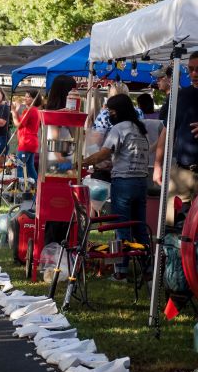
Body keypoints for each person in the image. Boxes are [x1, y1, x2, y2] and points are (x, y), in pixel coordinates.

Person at [82, 94, 149, 280]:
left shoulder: (119, 128)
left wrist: (84, 161)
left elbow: (103, 154)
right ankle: (148, 267)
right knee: (140, 227)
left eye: (111, 112)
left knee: (122, 227)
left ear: (119, 112)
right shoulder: (140, 128)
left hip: (124, 183)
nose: (110, 115)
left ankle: (121, 270)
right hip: (141, 182)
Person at [153, 52, 198, 225]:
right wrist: (157, 165)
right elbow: (167, 131)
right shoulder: (180, 96)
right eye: (191, 69)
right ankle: (173, 252)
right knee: (172, 225)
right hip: (182, 171)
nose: (194, 74)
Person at [45, 75, 78, 173]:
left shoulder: (57, 111)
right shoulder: (55, 113)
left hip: (61, 157)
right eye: (72, 90)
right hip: (58, 160)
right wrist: (62, 160)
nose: (75, 93)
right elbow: (54, 137)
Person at [11, 90, 42, 184]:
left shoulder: (30, 110)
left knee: (20, 166)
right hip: (31, 142)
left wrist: (13, 112)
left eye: (28, 96)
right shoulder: (35, 110)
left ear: (34, 99)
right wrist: (16, 111)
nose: (25, 98)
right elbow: (20, 123)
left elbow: (18, 124)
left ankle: (21, 190)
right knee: (29, 166)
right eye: (25, 96)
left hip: (26, 142)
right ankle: (37, 187)